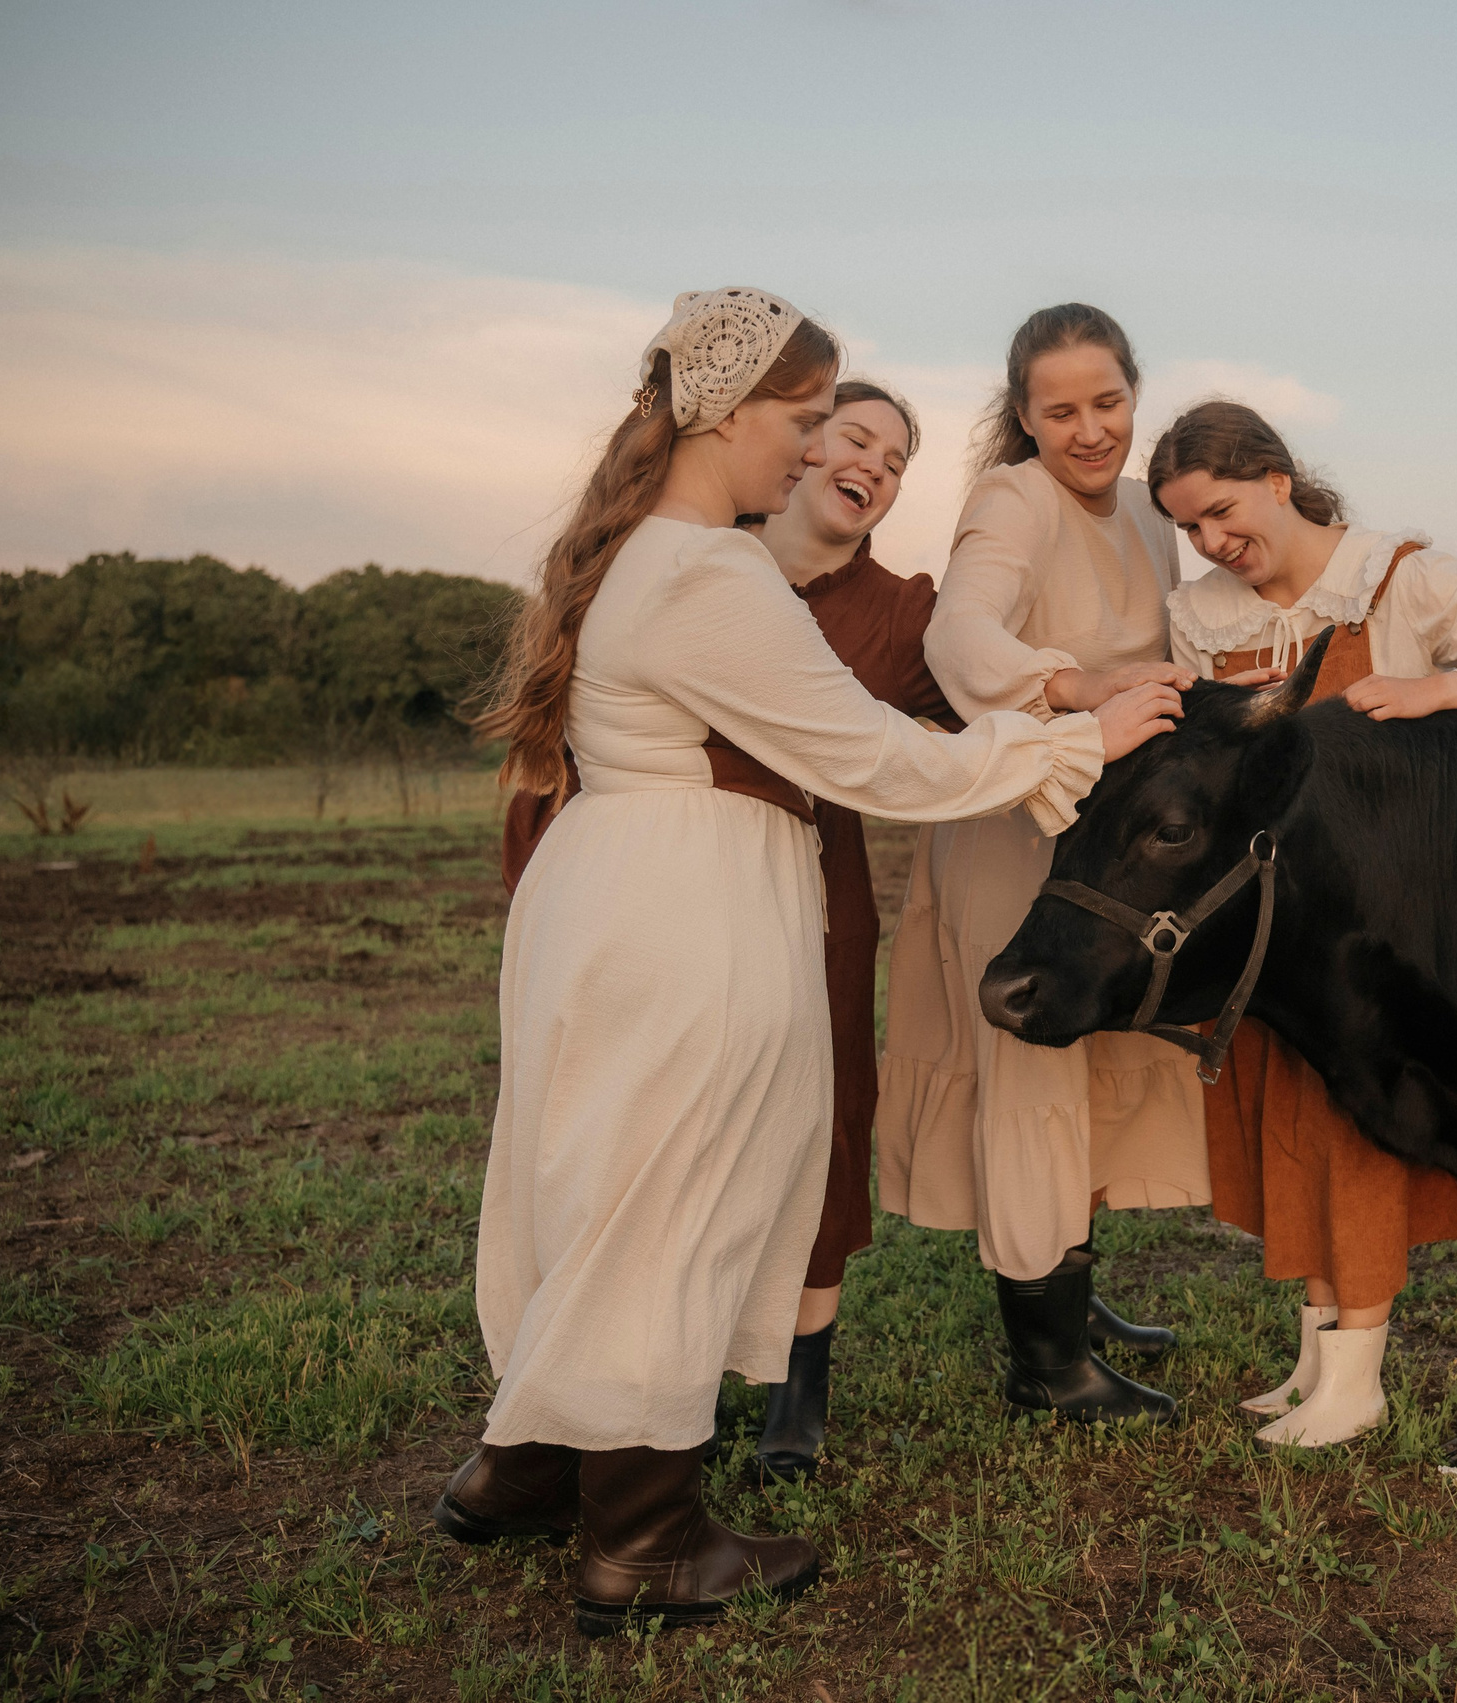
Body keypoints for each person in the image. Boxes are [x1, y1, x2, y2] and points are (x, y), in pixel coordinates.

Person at [438, 288, 1181, 1637]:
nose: (808, 448)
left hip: (624, 888)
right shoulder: (708, 572)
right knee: (667, 1188)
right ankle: (645, 1536)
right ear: (724, 413)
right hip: (685, 905)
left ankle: (529, 1464)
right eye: (799, 418)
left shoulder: (643, 557)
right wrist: (1083, 741)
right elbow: (875, 756)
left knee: (599, 1178)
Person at [492, 377, 955, 1490]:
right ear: (792, 447)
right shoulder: (707, 566)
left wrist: (1073, 702)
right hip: (673, 897)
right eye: (844, 434)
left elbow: (973, 693)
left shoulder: (899, 608)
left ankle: (790, 1386)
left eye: (897, 464)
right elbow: (555, 758)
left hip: (803, 889)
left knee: (814, 1120)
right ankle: (603, 1472)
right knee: (647, 1155)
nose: (869, 467)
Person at [1146, 400, 1457, 1447]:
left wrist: (1445, 687)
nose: (1213, 543)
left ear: (1272, 477)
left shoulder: (1396, 577)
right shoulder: (1202, 612)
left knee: (1351, 1130)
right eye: (1190, 528)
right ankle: (1314, 1354)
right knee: (1282, 1126)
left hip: (1384, 924)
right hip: (1266, 923)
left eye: (1219, 512)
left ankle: (1361, 1373)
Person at [875, 304, 1206, 1424]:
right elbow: (957, 636)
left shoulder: (1150, 517)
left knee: (1086, 1068)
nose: (1088, 430)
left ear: (1134, 393)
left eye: (1106, 402)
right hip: (1017, 827)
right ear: (1021, 416)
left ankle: (1071, 1291)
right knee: (1030, 1076)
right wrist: (1077, 688)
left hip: (1107, 843)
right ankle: (1046, 1366)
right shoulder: (1012, 499)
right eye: (1058, 410)